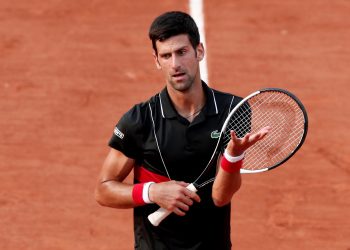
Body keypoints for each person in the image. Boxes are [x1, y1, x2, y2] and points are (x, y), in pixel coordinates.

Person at [95, 11, 268, 250]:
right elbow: (104, 190)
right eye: (166, 55)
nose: (175, 64)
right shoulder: (140, 120)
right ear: (157, 60)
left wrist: (233, 156)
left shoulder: (232, 110)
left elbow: (220, 196)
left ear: (199, 51)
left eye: (182, 52)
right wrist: (152, 192)